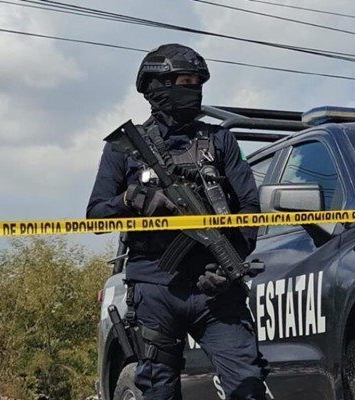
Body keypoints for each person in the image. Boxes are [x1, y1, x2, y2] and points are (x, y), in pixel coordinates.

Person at [87, 43, 268, 400]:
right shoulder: (124, 149)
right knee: (158, 390)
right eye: (185, 81)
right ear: (157, 86)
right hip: (155, 289)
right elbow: (95, 215)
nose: (194, 89)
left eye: (197, 82)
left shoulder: (220, 141)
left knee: (247, 385)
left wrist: (230, 261)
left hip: (216, 289)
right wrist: (132, 199)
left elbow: (249, 210)